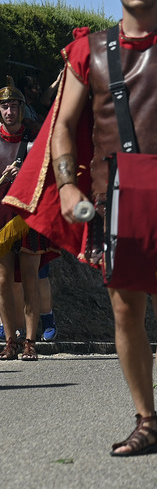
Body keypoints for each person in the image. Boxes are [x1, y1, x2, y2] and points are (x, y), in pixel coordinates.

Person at [7, 0, 157, 460]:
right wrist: (65, 185)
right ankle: (145, 421)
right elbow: (63, 125)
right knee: (125, 310)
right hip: (114, 200)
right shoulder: (88, 51)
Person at [0, 80, 44, 361]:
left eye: (14, 105)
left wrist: (26, 174)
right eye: (4, 106)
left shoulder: (34, 139)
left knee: (30, 279)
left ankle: (30, 341)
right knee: (3, 281)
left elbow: (47, 174)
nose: (9, 111)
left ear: (21, 108)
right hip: (1, 217)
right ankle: (9, 341)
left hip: (29, 215)